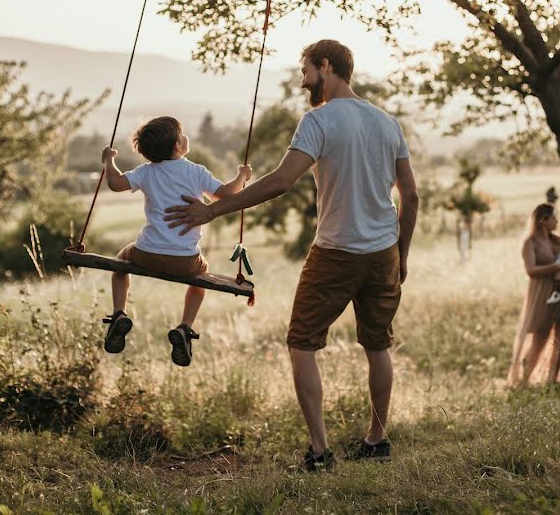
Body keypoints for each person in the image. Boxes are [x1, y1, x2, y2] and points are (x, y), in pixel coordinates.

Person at [163, 40, 419, 471]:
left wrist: (213, 209)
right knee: (377, 346)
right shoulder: (387, 122)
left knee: (301, 343)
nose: (303, 81)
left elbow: (280, 182)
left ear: (326, 66)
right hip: (382, 254)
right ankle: (377, 439)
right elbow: (409, 194)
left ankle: (320, 452)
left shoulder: (317, 121)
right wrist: (401, 254)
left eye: (306, 71)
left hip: (336, 252)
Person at [100, 116, 251, 366]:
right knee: (201, 278)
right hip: (185, 260)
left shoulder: (146, 172)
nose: (186, 137)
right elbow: (226, 194)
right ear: (178, 146)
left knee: (120, 263)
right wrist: (242, 176)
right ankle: (184, 328)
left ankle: (119, 314)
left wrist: (109, 160)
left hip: (146, 253)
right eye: (182, 134)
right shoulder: (196, 172)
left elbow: (115, 183)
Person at [507, 203, 560, 386]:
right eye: (554, 218)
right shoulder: (530, 242)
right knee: (539, 335)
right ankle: (525, 379)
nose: (558, 221)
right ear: (543, 220)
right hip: (543, 294)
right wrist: (555, 267)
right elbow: (531, 270)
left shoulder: (557, 240)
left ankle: (555, 379)